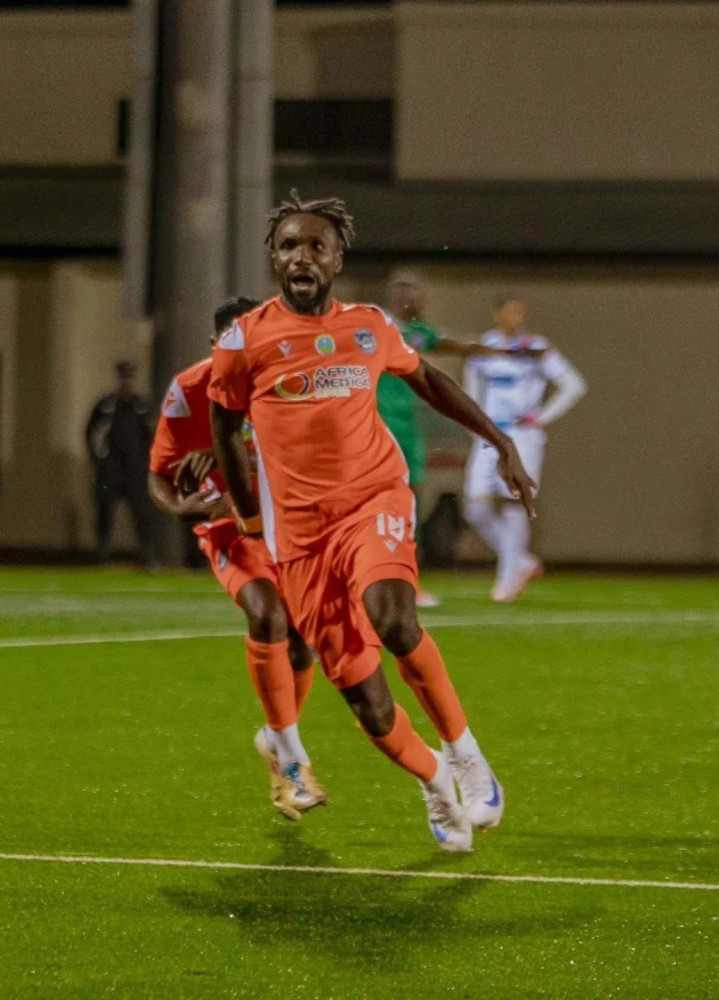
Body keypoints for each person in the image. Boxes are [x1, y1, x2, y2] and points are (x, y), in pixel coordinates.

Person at [209, 191, 536, 852]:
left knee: (393, 614)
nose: (302, 256)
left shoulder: (369, 326)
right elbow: (222, 428)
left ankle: (467, 754)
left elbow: (432, 380)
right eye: (289, 246)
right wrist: (248, 521)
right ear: (273, 259)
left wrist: (499, 442)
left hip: (373, 501)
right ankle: (437, 781)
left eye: (316, 246)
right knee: (368, 701)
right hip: (301, 538)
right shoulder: (245, 341)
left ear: (336, 259)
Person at [148, 298, 326, 821]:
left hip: (290, 524)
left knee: (302, 645)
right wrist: (180, 505)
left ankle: (275, 738)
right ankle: (294, 763)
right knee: (267, 614)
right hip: (229, 527)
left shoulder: (293, 384)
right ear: (215, 345)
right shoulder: (189, 389)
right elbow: (158, 471)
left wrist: (236, 453)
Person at [376, 269, 516, 603]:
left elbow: (454, 344)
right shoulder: (377, 326)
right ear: (395, 297)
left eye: (418, 293)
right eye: (408, 292)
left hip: (407, 428)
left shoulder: (419, 333)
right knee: (375, 505)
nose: (416, 299)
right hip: (376, 427)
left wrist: (500, 352)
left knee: (409, 505)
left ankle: (408, 581)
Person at [463, 295, 586, 602]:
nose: (516, 317)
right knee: (475, 508)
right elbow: (470, 390)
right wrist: (472, 422)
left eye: (520, 312)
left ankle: (507, 578)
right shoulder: (483, 348)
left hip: (522, 434)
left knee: (514, 502)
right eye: (510, 312)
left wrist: (540, 417)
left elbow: (573, 385)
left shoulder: (536, 348)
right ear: (497, 315)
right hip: (490, 433)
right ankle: (521, 561)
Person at [85, 361, 158, 570]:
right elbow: (92, 433)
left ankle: (147, 556)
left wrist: (148, 463)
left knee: (142, 513)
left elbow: (152, 436)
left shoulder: (141, 406)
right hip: (110, 469)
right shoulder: (105, 406)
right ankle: (102, 555)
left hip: (135, 469)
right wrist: (98, 459)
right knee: (105, 511)